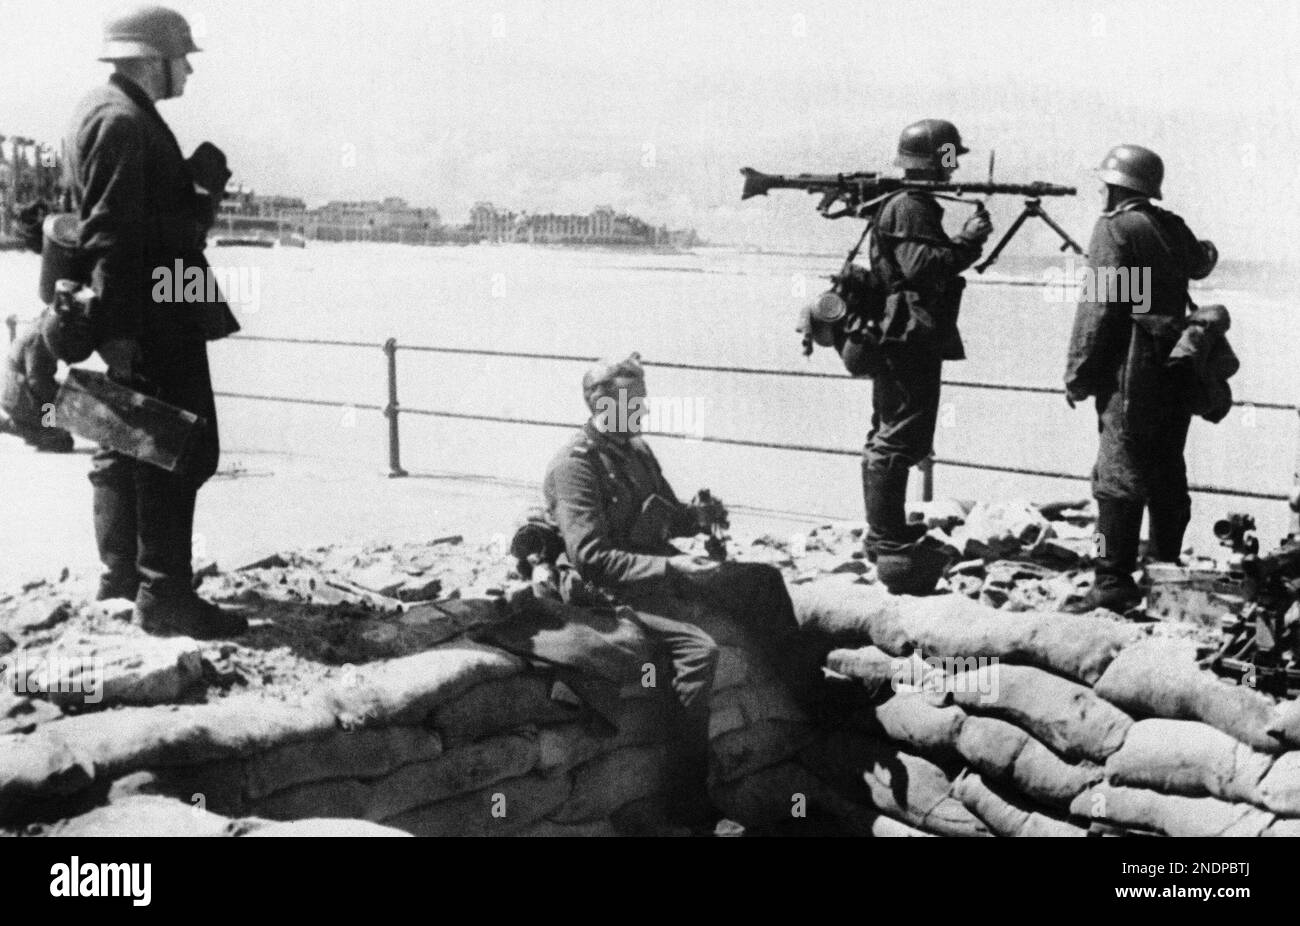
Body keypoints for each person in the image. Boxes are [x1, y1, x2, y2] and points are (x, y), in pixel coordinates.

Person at [543, 354, 823, 814]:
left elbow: (666, 519)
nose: (643, 409)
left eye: (642, 398)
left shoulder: (635, 451)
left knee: (763, 582)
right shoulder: (575, 465)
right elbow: (591, 558)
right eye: (632, 400)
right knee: (700, 651)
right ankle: (686, 795)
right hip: (613, 591)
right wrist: (673, 571)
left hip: (659, 571)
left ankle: (809, 699)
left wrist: (697, 516)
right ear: (600, 402)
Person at [65, 5, 243, 634]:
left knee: (123, 442)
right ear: (150, 57)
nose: (189, 69)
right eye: (183, 57)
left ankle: (122, 578)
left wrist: (189, 198)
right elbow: (112, 236)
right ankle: (165, 597)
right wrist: (120, 335)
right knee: (181, 447)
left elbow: (126, 225)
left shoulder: (107, 110)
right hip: (152, 312)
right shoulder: (122, 122)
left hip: (154, 299)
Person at [1064, 144, 1217, 613]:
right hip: (1174, 367)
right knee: (1167, 465)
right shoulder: (1169, 225)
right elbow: (1200, 262)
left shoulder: (1115, 229)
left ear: (1114, 186)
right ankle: (1165, 570)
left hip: (1131, 372)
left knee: (1116, 476)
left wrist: (1079, 372)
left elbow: (1102, 308)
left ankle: (1111, 581)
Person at [863, 119, 993, 593]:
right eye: (950, 156)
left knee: (894, 434)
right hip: (907, 336)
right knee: (897, 438)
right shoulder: (910, 206)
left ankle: (886, 534)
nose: (955, 164)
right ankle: (887, 540)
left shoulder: (905, 203)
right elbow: (923, 268)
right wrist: (970, 241)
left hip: (905, 334)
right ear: (938, 159)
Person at [0, 325, 74, 453]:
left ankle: (32, 428)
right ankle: (7, 424)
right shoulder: (39, 341)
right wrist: (56, 414)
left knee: (58, 433)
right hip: (18, 398)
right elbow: (37, 382)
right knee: (62, 442)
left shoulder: (41, 331)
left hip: (16, 394)